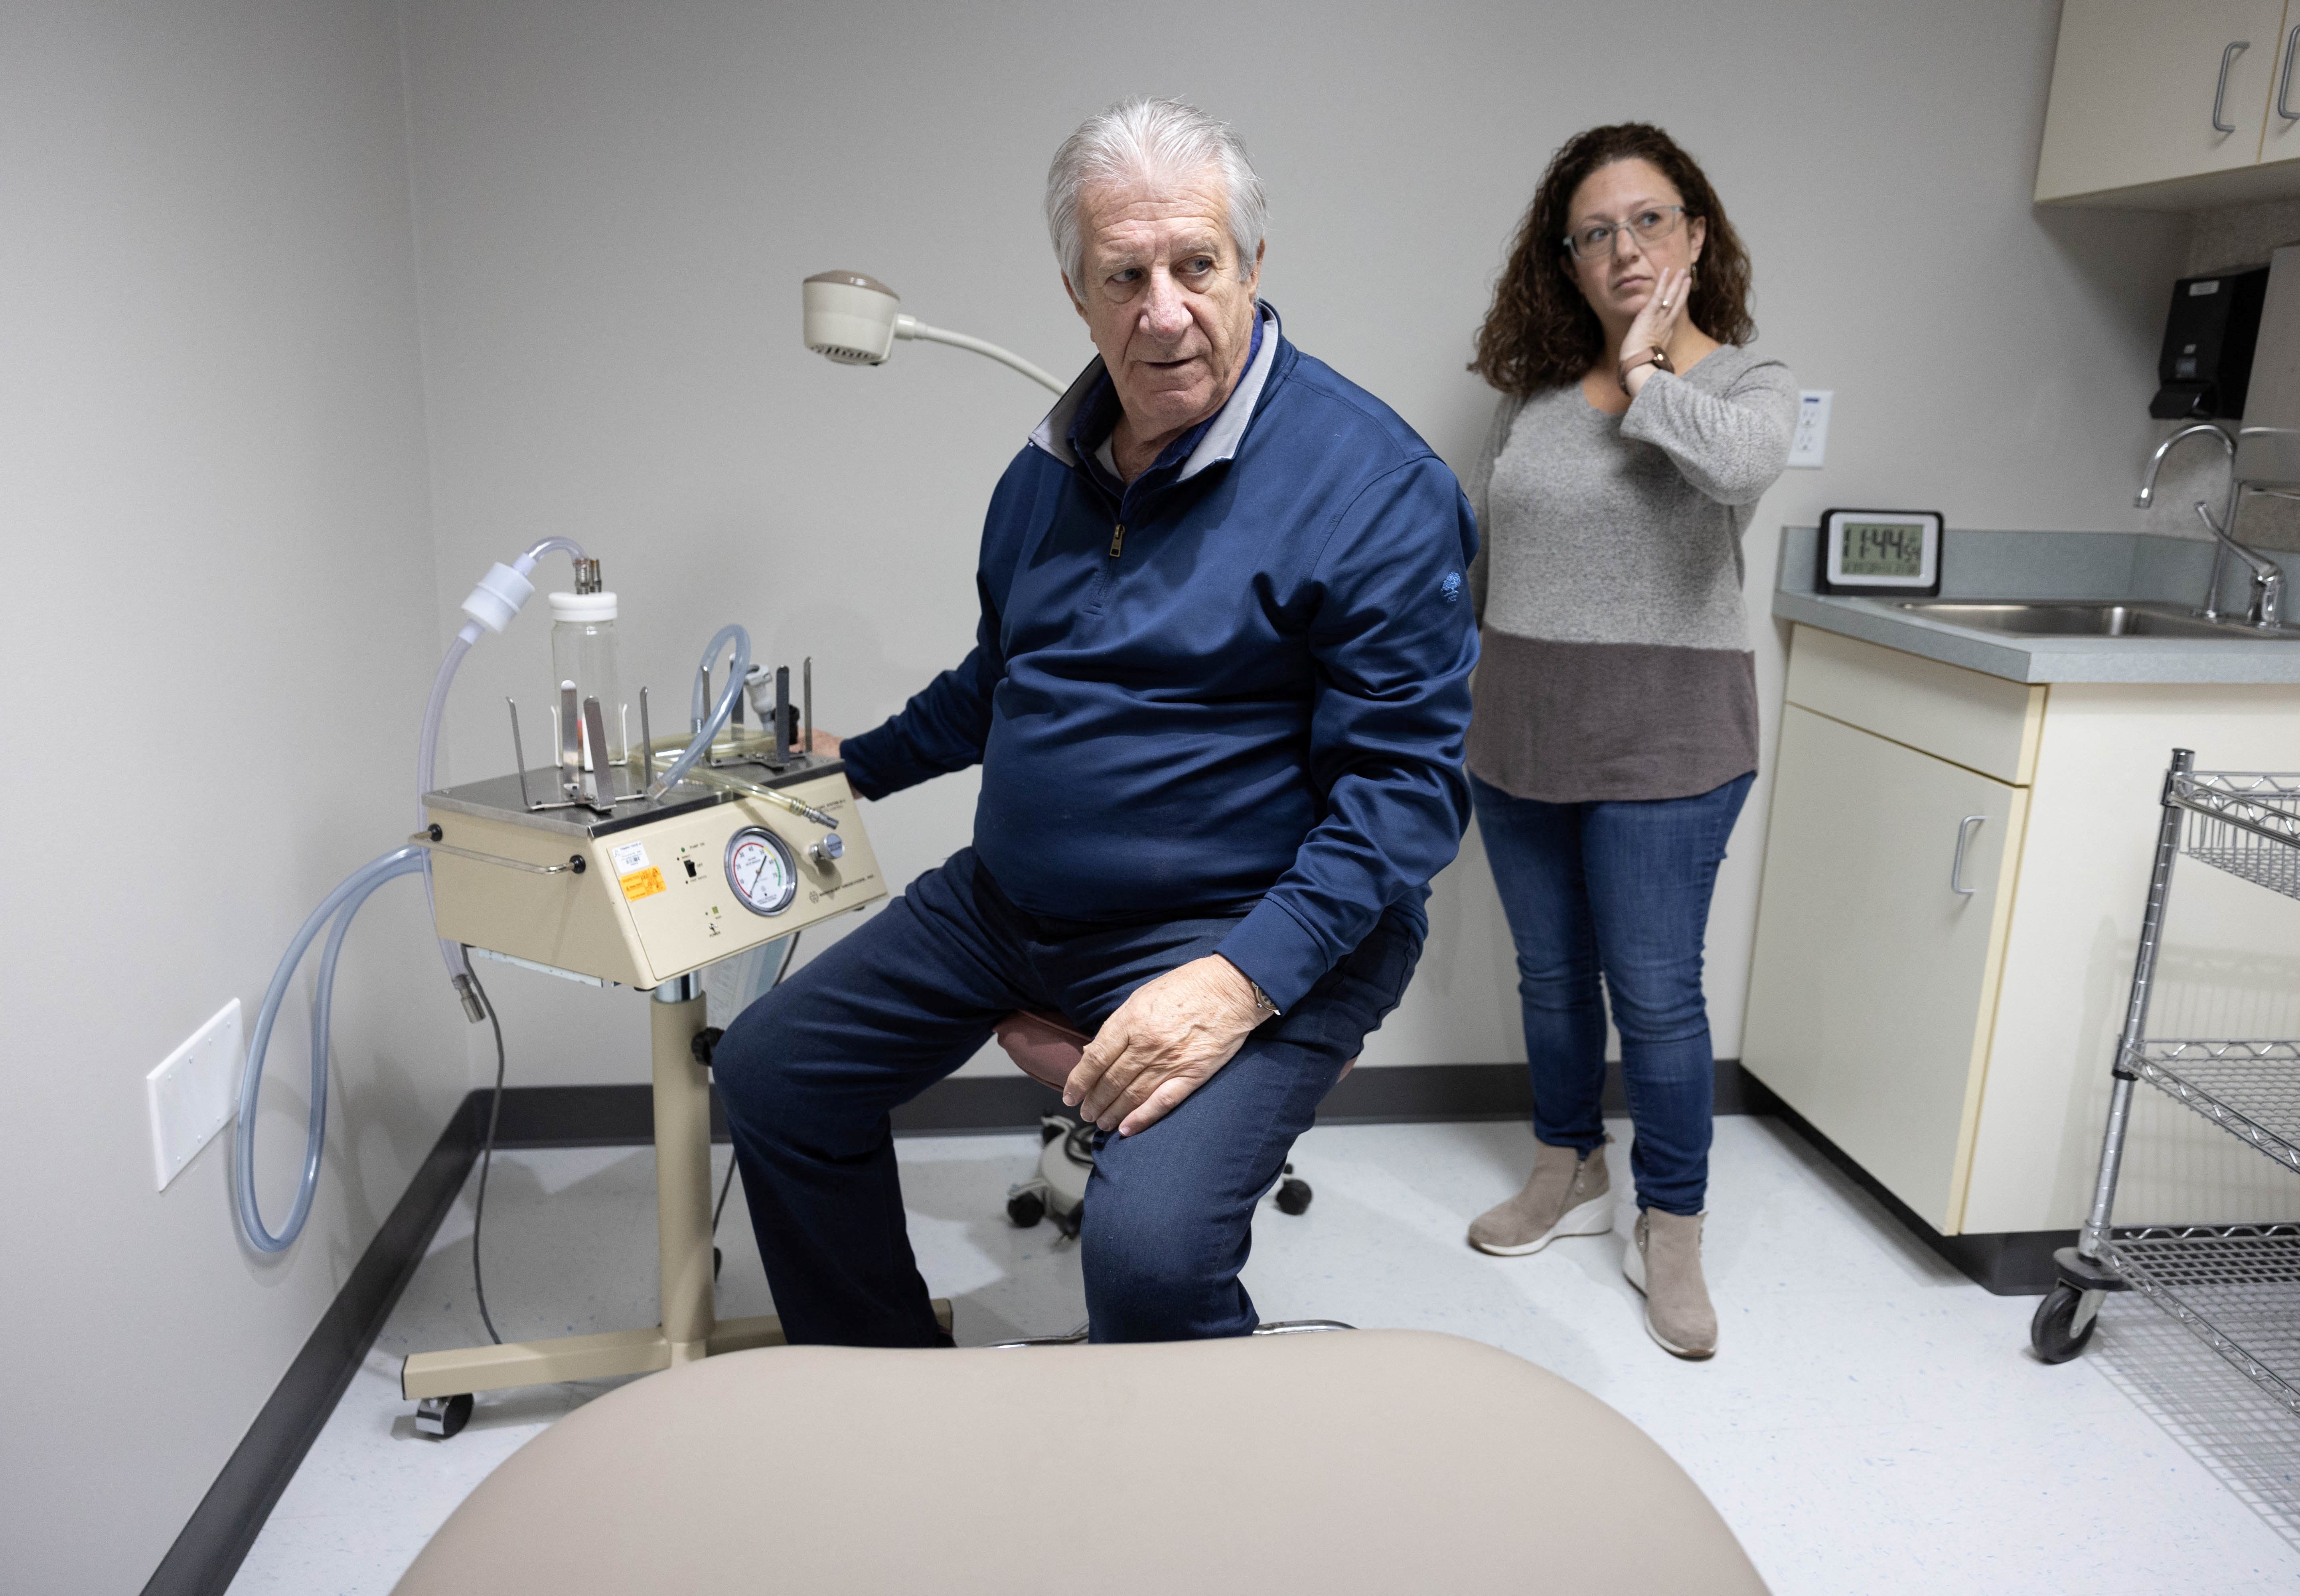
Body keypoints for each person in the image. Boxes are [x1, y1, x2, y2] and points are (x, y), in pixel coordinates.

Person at [711, 97, 1479, 1347]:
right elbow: (1003, 680)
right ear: (1078, 293)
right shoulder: (1047, 474)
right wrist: (857, 768)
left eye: (1196, 266)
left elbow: (1404, 798)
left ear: (1253, 269)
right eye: (1125, 275)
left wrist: (1234, 985)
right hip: (1009, 910)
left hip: (1247, 925)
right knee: (770, 1075)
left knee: (1150, 1255)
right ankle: (888, 1386)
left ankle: (1171, 1501)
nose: (1163, 310)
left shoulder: (1373, 488)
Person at [1458, 124, 1797, 1360]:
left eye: (1649, 221)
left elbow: (1734, 475)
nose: (1624, 249)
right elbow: (1501, 559)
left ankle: (1676, 1227)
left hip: (1669, 743)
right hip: (1520, 731)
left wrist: (1654, 370)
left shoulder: (1747, 389)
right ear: (1567, 257)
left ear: (1698, 234)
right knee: (1552, 983)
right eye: (1594, 231)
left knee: (1655, 1000)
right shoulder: (1536, 399)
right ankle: (1569, 1165)